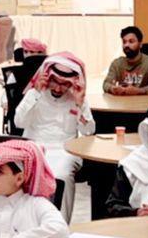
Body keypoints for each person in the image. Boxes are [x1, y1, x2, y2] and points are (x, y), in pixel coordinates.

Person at [11, 52, 94, 223]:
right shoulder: (35, 94)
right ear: (47, 77)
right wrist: (35, 94)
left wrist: (80, 105)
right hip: (34, 147)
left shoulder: (77, 98)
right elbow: (19, 122)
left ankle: (60, 225)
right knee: (21, 176)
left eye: (65, 84)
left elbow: (88, 132)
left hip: (65, 150)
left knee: (61, 176)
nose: (58, 88)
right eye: (55, 81)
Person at [102, 26, 148, 95]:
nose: (126, 45)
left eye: (131, 41)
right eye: (124, 42)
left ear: (140, 44)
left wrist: (138, 91)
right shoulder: (117, 63)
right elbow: (106, 84)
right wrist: (112, 88)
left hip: (143, 101)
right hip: (123, 101)